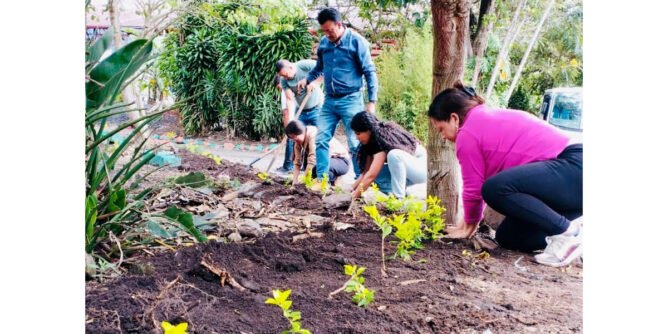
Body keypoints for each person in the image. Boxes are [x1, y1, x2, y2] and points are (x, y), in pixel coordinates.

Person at [428, 82, 583, 267]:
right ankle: (576, 226)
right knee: (509, 237)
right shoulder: (482, 118)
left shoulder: (467, 132)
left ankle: (569, 233)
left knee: (494, 189)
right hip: (568, 184)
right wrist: (466, 225)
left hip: (573, 165)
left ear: (454, 118)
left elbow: (474, 188)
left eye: (441, 129)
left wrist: (468, 227)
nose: (443, 136)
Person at [298, 7, 378, 181]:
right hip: (330, 102)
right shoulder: (324, 43)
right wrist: (308, 80)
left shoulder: (357, 42)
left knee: (355, 141)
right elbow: (319, 68)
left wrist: (371, 101)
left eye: (330, 30)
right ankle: (322, 181)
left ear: (339, 24)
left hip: (351, 99)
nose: (327, 34)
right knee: (320, 139)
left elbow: (369, 72)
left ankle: (361, 182)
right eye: (324, 31)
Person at [349, 112, 427, 199]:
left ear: (368, 130)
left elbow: (371, 176)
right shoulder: (369, 142)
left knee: (393, 155)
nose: (356, 137)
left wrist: (353, 197)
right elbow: (366, 173)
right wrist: (351, 189)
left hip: (421, 169)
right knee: (375, 176)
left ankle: (399, 200)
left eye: (358, 133)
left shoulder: (380, 139)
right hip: (407, 171)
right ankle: (400, 192)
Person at [275, 59, 324, 174]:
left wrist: (314, 83)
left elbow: (324, 69)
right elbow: (289, 99)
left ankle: (319, 171)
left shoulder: (304, 65)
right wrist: (292, 119)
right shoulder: (284, 80)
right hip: (301, 111)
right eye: (283, 76)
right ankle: (291, 167)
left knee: (319, 138)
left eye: (286, 74)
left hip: (317, 108)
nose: (285, 78)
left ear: (290, 67)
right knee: (294, 135)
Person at [284, 120, 350, 188]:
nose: (293, 140)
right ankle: (328, 180)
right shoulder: (297, 141)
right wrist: (294, 183)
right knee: (312, 172)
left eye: (294, 137)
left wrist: (304, 182)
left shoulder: (314, 134)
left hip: (341, 161)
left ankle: (335, 179)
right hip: (326, 160)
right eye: (291, 138)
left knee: (318, 169)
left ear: (301, 132)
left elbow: (313, 159)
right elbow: (297, 162)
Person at [275, 75, 297, 173]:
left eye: (278, 87)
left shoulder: (285, 90)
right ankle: (292, 166)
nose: (279, 90)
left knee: (290, 140)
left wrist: (287, 129)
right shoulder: (294, 87)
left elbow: (285, 112)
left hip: (292, 120)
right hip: (299, 119)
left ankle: (288, 166)